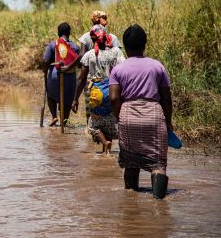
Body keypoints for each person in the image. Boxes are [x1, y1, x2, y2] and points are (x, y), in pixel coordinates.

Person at [109, 24, 173, 199]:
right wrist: (168, 121)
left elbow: (114, 99)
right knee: (157, 162)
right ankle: (159, 203)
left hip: (128, 114)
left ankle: (131, 202)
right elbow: (166, 99)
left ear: (126, 47)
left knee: (130, 161)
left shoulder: (118, 69)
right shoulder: (157, 66)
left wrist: (120, 117)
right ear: (144, 45)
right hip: (153, 114)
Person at [60, 11, 123, 124]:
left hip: (91, 81)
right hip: (111, 82)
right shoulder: (113, 38)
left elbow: (82, 56)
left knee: (91, 111)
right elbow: (120, 62)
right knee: (110, 112)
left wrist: (69, 67)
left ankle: (92, 130)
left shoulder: (87, 36)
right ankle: (107, 133)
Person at [72, 24, 125, 155]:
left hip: (96, 93)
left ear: (93, 39)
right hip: (114, 91)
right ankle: (110, 149)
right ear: (107, 37)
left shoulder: (89, 55)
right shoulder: (116, 52)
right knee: (112, 120)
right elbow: (124, 71)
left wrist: (75, 99)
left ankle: (105, 143)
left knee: (94, 125)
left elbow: (82, 78)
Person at [41, 22, 81, 126]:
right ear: (69, 33)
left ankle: (54, 116)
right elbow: (80, 63)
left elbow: (45, 62)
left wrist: (44, 68)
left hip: (55, 77)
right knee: (67, 99)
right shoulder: (75, 47)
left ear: (58, 33)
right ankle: (64, 121)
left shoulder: (52, 45)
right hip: (70, 79)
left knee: (51, 96)